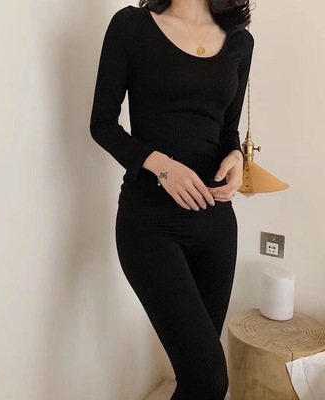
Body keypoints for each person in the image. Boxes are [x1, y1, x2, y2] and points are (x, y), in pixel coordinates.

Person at [89, 0, 254, 398]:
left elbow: (227, 132)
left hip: (216, 224)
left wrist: (236, 159)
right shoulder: (132, 26)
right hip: (150, 223)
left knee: (197, 380)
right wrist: (162, 165)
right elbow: (102, 124)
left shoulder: (240, 42)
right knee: (210, 379)